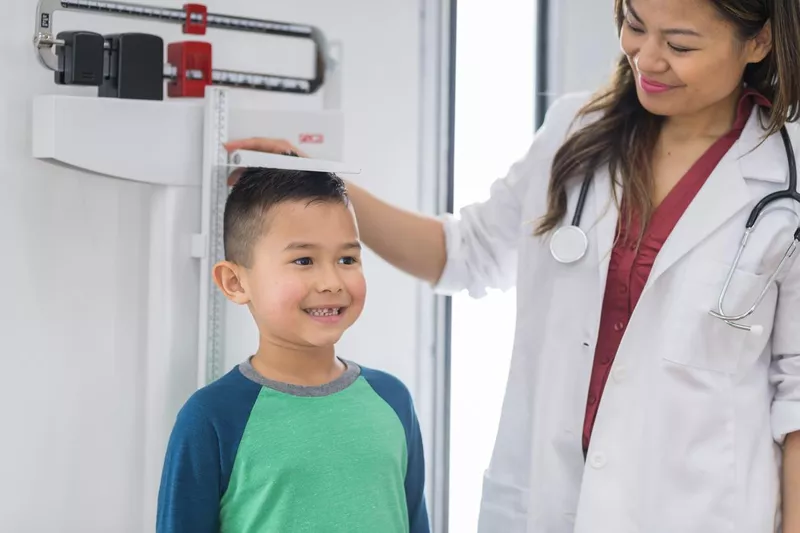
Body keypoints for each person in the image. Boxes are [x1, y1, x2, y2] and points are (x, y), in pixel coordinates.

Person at [225, 0, 800, 532]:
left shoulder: (784, 183)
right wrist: (323, 183)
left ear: (759, 42)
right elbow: (465, 252)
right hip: (547, 503)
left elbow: (795, 400)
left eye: (680, 44)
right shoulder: (574, 133)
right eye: (634, 23)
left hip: (703, 513)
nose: (647, 58)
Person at [155, 166, 430, 533]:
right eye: (304, 260)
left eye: (347, 259)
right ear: (235, 282)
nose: (332, 282)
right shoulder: (211, 417)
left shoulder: (393, 399)